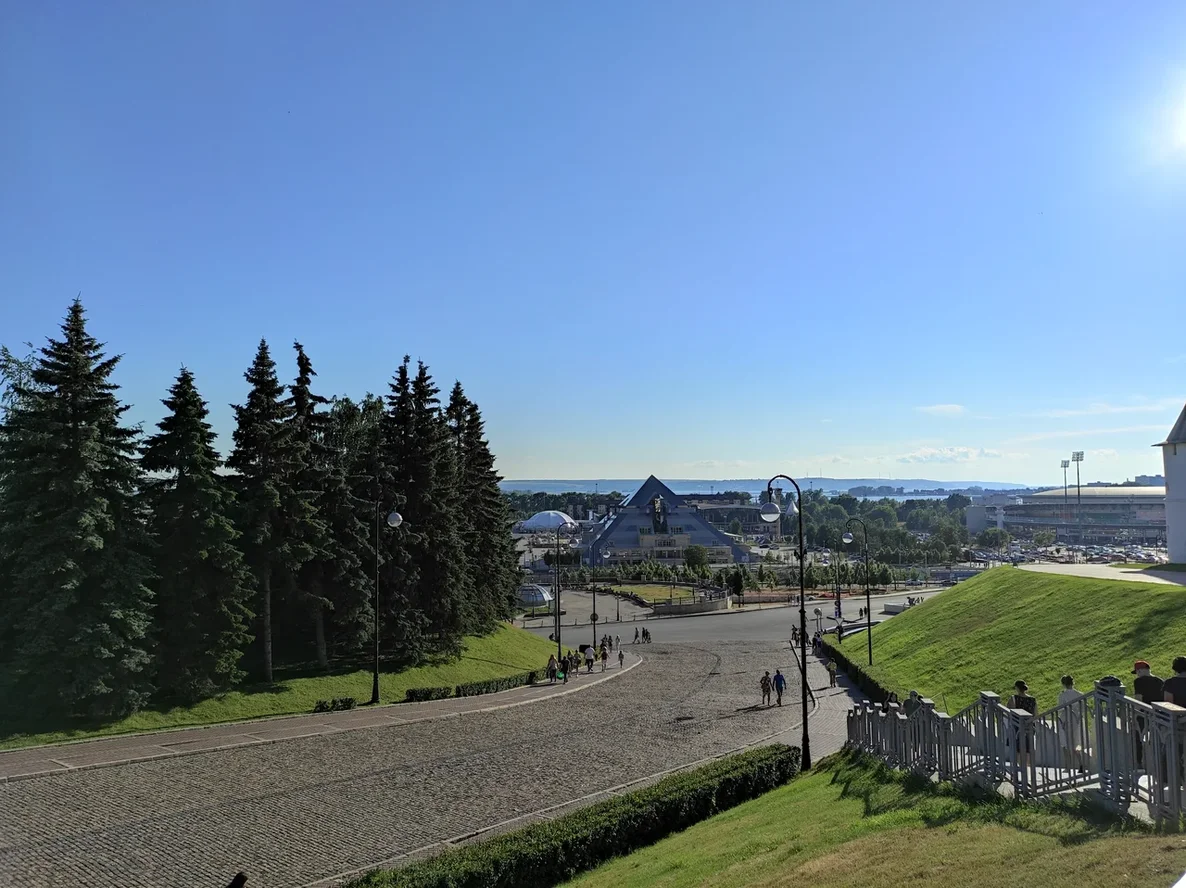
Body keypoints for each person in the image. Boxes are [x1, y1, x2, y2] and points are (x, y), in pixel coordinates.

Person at [1132, 659, 1164, 769]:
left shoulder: (1139, 682)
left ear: (1140, 671)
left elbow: (1138, 700)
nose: (1137, 674)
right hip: (1159, 715)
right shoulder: (1160, 681)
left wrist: (1135, 715)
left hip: (1144, 714)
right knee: (1157, 739)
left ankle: (1139, 763)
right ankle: (1159, 764)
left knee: (1138, 737)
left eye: (1137, 672)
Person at [1057, 674, 1086, 773]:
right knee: (1077, 743)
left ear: (1063, 684)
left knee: (1065, 743)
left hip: (1066, 720)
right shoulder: (1080, 694)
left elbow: (1060, 708)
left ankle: (1068, 765)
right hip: (1077, 721)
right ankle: (1081, 763)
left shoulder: (1063, 695)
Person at [1007, 679, 1037, 770]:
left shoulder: (1014, 698)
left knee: (1017, 746)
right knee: (1028, 747)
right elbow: (1035, 713)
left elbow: (1009, 710)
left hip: (1017, 725)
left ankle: (1017, 765)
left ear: (1017, 688)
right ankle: (1025, 766)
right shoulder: (1032, 700)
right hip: (1029, 725)